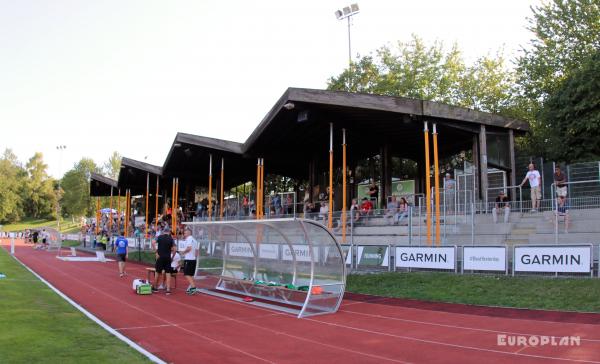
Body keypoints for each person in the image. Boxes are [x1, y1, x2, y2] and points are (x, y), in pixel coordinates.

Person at [152, 227, 175, 295]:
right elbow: (174, 250)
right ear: (169, 232)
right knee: (168, 273)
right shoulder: (171, 239)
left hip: (160, 257)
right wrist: (172, 257)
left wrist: (156, 252)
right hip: (167, 257)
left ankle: (155, 287)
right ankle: (168, 290)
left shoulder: (159, 237)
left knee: (157, 272)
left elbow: (153, 243)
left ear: (163, 231)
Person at [180, 227, 199, 295]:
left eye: (185, 232)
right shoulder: (195, 240)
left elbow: (189, 248)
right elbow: (197, 251)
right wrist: (194, 257)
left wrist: (183, 252)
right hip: (193, 259)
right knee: (190, 274)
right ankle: (192, 288)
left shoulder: (189, 239)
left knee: (187, 274)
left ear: (189, 233)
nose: (184, 234)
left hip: (189, 259)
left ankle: (193, 288)